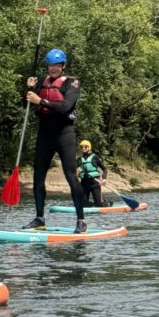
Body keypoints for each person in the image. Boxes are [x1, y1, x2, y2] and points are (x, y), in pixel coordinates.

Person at [23, 48, 87, 233]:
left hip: (64, 134)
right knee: (37, 177)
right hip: (44, 134)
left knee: (71, 177)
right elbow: (26, 103)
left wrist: (41, 101)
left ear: (63, 66)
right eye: (50, 65)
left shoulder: (72, 83)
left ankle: (81, 220)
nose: (53, 69)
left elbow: (65, 106)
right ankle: (39, 218)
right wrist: (29, 89)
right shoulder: (41, 82)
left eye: (57, 66)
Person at [76, 139, 108, 207]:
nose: (83, 148)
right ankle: (92, 206)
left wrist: (104, 178)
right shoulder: (79, 159)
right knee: (83, 204)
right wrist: (76, 170)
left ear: (89, 147)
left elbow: (104, 169)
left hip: (95, 183)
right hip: (84, 184)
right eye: (82, 147)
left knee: (99, 205)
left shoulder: (94, 157)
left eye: (85, 146)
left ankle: (105, 203)